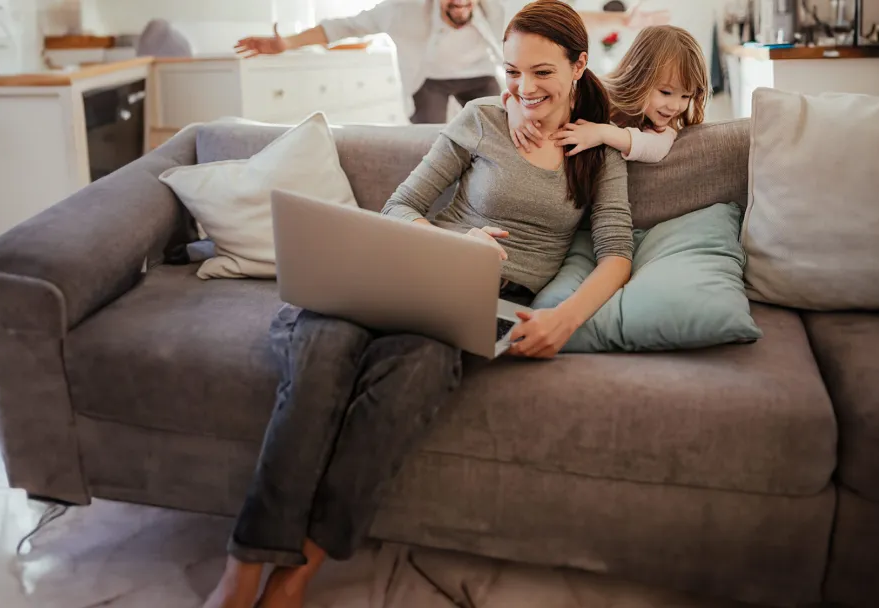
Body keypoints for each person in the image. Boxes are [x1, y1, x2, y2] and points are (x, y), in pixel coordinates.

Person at [205, 2, 634, 607]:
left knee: (418, 372)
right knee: (324, 350)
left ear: (578, 66)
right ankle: (243, 567)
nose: (524, 88)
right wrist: (456, 240)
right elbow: (402, 206)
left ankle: (300, 569)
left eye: (542, 72)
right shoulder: (483, 118)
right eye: (512, 72)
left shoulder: (598, 148)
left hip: (484, 299)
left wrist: (565, 317)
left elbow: (617, 252)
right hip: (415, 263)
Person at [234, 0, 671, 124]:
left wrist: (623, 17)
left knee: (502, 120)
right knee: (428, 131)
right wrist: (285, 44)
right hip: (429, 79)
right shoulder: (400, 11)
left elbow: (556, 11)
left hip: (478, 72)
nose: (460, 6)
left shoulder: (496, 10)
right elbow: (340, 28)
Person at [504, 24, 709, 163]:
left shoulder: (662, 126)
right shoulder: (597, 91)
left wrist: (601, 133)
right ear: (636, 76)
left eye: (686, 96)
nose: (675, 106)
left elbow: (657, 148)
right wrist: (516, 112)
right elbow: (516, 94)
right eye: (666, 92)